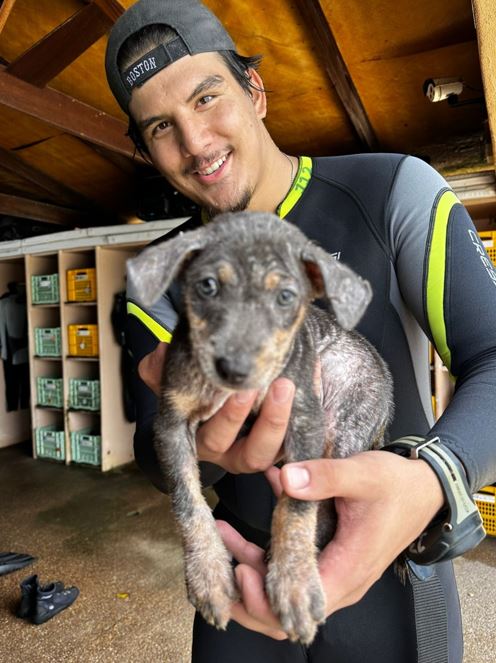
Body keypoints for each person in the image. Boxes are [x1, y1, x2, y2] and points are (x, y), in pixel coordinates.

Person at [104, 1, 496, 661]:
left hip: (393, 570)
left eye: (207, 97)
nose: (195, 143)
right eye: (162, 127)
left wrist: (432, 479)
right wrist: (198, 445)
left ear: (254, 91)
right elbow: (153, 448)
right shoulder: (160, 276)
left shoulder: (390, 191)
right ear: (146, 150)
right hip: (242, 584)